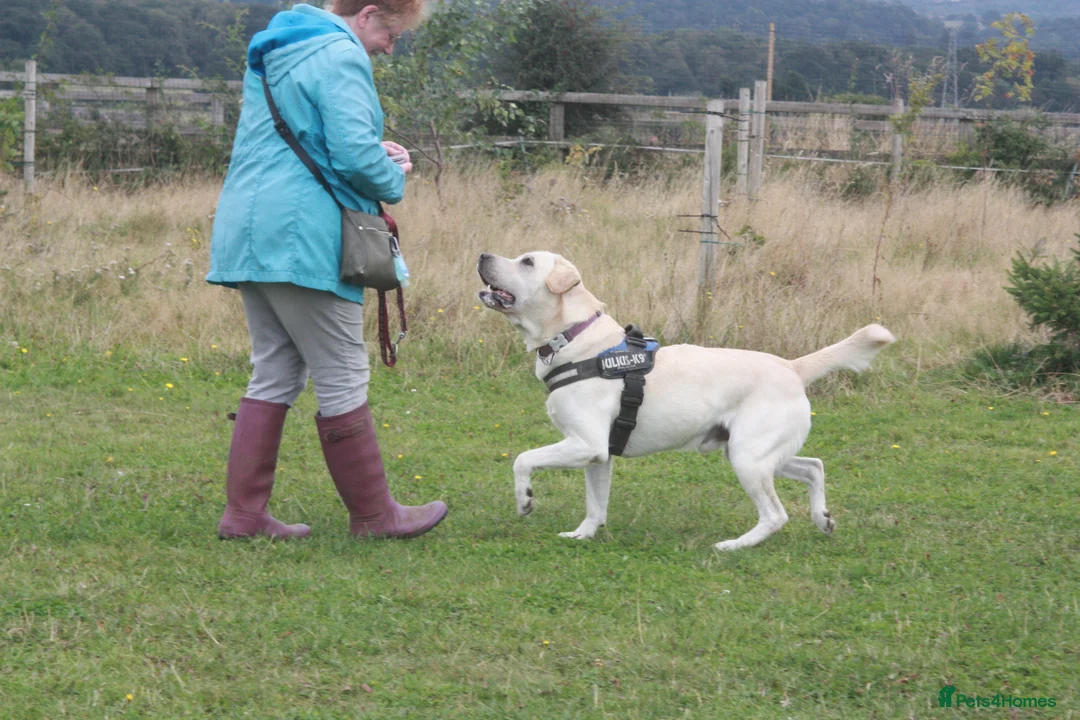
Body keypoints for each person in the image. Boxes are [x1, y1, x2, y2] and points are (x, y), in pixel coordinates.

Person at [206, 0, 447, 540]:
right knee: (341, 371)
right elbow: (353, 157)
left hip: (249, 225)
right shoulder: (341, 55)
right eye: (390, 31)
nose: (390, 45)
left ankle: (244, 516)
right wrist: (394, 176)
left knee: (274, 367)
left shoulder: (279, 49)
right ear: (366, 14)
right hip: (304, 233)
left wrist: (366, 152)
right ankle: (375, 516)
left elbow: (305, 140)